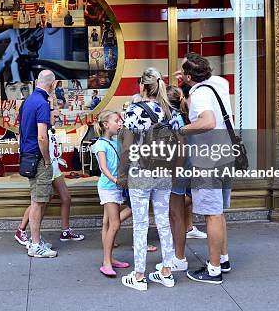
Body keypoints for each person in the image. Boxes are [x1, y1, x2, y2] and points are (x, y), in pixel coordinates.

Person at [119, 67, 179, 291]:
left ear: (142, 86)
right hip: (163, 171)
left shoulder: (134, 110)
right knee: (163, 221)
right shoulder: (168, 110)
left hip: (140, 171)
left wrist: (122, 173)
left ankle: (139, 275)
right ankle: (167, 271)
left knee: (141, 223)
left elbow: (126, 146)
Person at [177, 52, 233, 284]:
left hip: (208, 160)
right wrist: (188, 80)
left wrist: (183, 130)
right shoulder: (219, 84)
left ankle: (213, 270)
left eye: (182, 70)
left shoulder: (199, 94)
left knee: (211, 215)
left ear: (189, 76)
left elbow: (207, 121)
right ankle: (223, 259)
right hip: (225, 154)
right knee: (218, 212)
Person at [15, 105, 85, 249]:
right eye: (54, 116)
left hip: (54, 167)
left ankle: (65, 231)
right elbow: (39, 144)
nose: (56, 119)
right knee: (39, 202)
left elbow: (51, 148)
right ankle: (22, 231)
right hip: (46, 167)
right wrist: (47, 161)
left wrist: (57, 160)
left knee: (65, 197)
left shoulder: (49, 129)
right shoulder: (39, 129)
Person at [164, 85, 207, 275]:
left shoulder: (174, 118)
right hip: (182, 168)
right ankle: (177, 255)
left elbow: (180, 148)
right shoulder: (180, 116)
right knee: (175, 213)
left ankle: (179, 257)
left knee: (175, 214)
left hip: (177, 170)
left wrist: (175, 170)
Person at [18, 70, 58, 258]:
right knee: (38, 201)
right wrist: (48, 159)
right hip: (38, 157)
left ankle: (36, 240)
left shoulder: (28, 101)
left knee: (39, 199)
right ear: (52, 84)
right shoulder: (42, 103)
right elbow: (42, 137)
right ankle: (35, 244)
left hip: (28, 154)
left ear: (36, 82)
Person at [93, 110, 132, 277]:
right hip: (108, 187)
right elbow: (103, 168)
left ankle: (110, 258)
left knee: (107, 223)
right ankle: (106, 262)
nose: (119, 123)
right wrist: (116, 180)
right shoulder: (100, 144)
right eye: (116, 121)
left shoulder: (116, 140)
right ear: (106, 125)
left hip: (115, 186)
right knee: (114, 224)